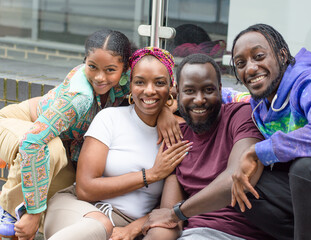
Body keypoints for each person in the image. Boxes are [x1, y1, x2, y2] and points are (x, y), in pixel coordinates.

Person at [0, 30, 181, 240]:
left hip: (49, 134)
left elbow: (167, 87)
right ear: (85, 61)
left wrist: (166, 110)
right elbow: (32, 142)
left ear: (125, 72)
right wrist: (34, 211)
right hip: (20, 123)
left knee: (63, 184)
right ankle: (10, 209)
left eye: (110, 70)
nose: (100, 77)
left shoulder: (125, 84)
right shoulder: (80, 99)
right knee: (50, 151)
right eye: (92, 67)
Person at [226, 23, 311, 239]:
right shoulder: (262, 102)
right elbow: (227, 95)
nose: (250, 68)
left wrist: (258, 151)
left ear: (282, 55)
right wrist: (168, 102)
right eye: (240, 63)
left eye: (259, 56)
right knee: (245, 188)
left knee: (309, 169)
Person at [43, 47, 191, 240]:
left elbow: (170, 208)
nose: (149, 90)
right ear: (130, 85)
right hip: (76, 209)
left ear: (171, 86)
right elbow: (85, 189)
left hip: (126, 225)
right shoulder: (110, 119)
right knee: (99, 225)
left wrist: (134, 228)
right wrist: (151, 175)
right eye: (140, 82)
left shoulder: (179, 134)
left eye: (159, 83)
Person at [142, 53, 274, 240]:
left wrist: (175, 213)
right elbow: (168, 221)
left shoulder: (240, 117)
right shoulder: (176, 138)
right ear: (177, 92)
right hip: (194, 234)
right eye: (189, 91)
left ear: (220, 90)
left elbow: (237, 178)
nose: (199, 99)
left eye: (208, 90)